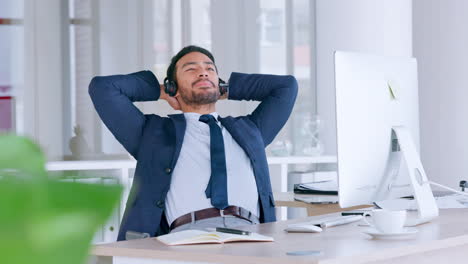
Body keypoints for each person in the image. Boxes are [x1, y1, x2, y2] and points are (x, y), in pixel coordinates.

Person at [89, 45, 298, 241]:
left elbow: (286, 86)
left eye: (210, 69)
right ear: (173, 85)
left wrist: (227, 88)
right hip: (188, 237)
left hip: (251, 233)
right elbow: (104, 88)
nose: (203, 72)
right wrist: (162, 90)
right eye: (191, 69)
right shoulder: (151, 134)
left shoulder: (251, 130)